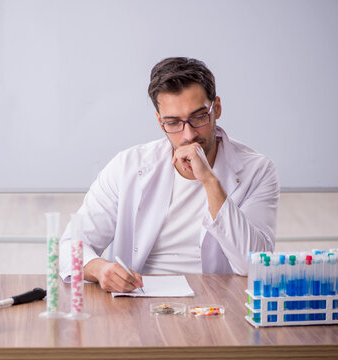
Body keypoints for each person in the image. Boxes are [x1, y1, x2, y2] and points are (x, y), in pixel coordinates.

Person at [59, 57, 279, 293]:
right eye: (173, 122)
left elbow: (254, 265)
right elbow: (70, 246)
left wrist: (210, 181)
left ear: (217, 108)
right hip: (138, 305)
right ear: (159, 120)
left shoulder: (257, 170)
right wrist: (100, 268)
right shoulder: (127, 167)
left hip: (216, 305)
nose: (188, 135)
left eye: (198, 117)